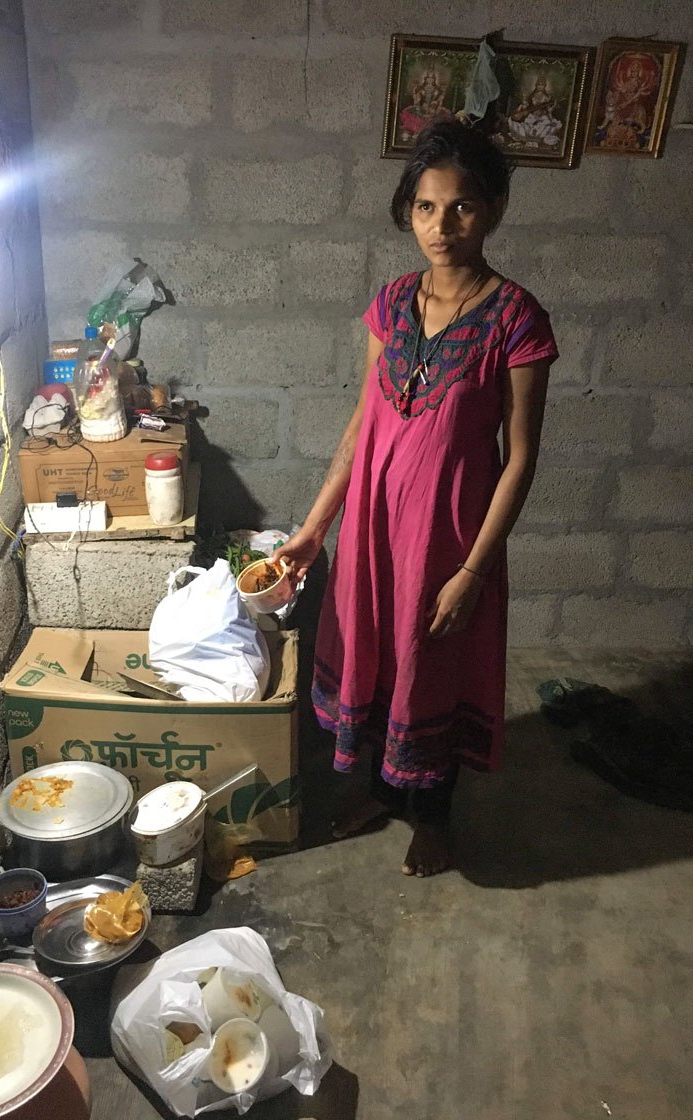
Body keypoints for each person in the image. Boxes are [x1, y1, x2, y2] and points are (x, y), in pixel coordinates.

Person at [275, 119, 558, 878]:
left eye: (462, 206)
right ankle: (377, 791)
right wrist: (313, 529)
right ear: (408, 211)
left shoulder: (517, 319)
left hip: (448, 536)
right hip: (373, 526)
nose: (442, 225)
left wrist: (471, 570)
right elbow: (362, 423)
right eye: (427, 207)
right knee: (374, 654)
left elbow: (521, 458)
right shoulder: (392, 302)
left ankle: (433, 819)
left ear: (493, 208)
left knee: (432, 667)